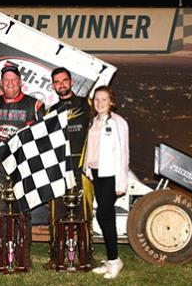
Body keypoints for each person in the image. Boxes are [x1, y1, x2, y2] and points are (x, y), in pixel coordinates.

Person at [0, 64, 45, 268]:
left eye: (14, 80)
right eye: (6, 81)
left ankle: (22, 254)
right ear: (1, 83)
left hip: (23, 166)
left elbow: (43, 137)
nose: (10, 84)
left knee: (23, 212)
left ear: (20, 82)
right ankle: (1, 254)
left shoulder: (35, 105)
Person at [45, 67, 95, 269]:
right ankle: (56, 256)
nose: (61, 85)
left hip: (83, 169)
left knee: (85, 215)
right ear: (53, 85)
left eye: (64, 81)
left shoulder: (88, 104)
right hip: (59, 172)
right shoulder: (50, 111)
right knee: (56, 215)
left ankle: (86, 256)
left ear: (71, 82)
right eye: (57, 82)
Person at [83, 86, 129, 279]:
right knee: (104, 215)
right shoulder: (94, 121)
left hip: (111, 176)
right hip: (96, 173)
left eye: (104, 99)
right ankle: (112, 260)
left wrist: (121, 183)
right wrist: (86, 168)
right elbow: (91, 147)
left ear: (112, 102)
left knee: (104, 215)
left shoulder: (119, 123)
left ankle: (115, 260)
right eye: (97, 99)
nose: (100, 103)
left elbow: (123, 153)